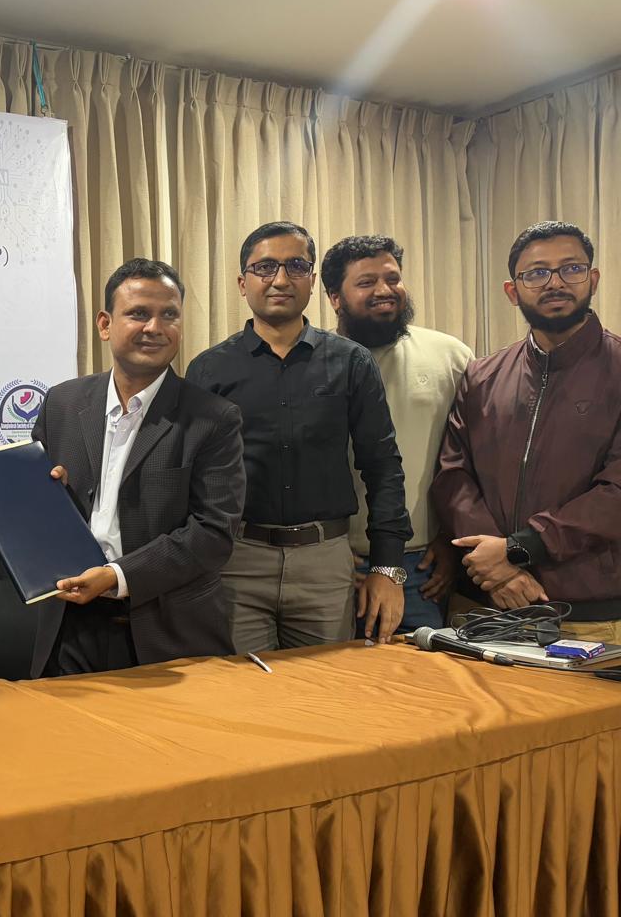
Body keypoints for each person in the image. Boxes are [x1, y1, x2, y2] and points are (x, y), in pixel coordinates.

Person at [187, 222, 411, 652]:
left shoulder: (351, 362)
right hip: (238, 560)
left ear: (312, 280)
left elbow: (382, 466)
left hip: (325, 562)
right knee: (244, 688)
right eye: (265, 267)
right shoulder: (209, 370)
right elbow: (193, 477)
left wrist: (387, 567)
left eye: (296, 266)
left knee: (325, 688)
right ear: (243, 283)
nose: (280, 279)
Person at [30, 258, 245, 677]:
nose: (155, 328)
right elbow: (32, 508)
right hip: (69, 626)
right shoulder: (62, 403)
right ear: (105, 324)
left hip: (168, 632)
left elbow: (213, 533)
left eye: (169, 315)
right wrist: (47, 497)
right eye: (139, 313)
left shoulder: (213, 418)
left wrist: (116, 576)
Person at [432, 221, 621, 637]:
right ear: (512, 291)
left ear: (593, 279)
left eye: (571, 268)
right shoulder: (482, 375)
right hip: (479, 606)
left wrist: (520, 548)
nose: (555, 282)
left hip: (589, 616)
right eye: (536, 273)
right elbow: (452, 475)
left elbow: (615, 493)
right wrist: (495, 564)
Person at [322, 234, 473, 632]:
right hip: (332, 566)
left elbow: (472, 461)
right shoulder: (312, 363)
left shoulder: (451, 357)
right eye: (366, 282)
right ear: (335, 298)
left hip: (420, 567)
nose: (384, 290)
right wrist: (322, 557)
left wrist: (451, 541)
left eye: (392, 278)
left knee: (417, 672)